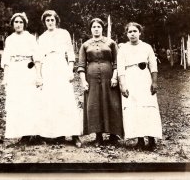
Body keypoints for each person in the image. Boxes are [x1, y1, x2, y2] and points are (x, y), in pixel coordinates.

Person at [37, 10, 82, 147]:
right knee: (50, 100)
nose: (50, 22)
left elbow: (70, 54)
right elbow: (39, 58)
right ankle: (55, 134)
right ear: (44, 22)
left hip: (61, 66)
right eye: (47, 20)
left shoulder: (64, 33)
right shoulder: (42, 37)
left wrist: (70, 71)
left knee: (65, 99)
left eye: (52, 20)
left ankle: (74, 135)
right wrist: (39, 75)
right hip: (48, 68)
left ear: (56, 21)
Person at [78, 18, 124, 147]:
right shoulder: (85, 45)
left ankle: (114, 135)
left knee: (112, 103)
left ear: (102, 28)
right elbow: (81, 65)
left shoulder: (111, 43)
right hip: (91, 78)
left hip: (109, 77)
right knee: (94, 104)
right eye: (94, 27)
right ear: (91, 29)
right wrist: (83, 81)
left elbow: (117, 62)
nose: (96, 29)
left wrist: (115, 77)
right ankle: (98, 136)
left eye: (98, 26)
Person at [117, 22, 162, 151]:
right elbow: (120, 68)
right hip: (130, 78)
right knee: (134, 108)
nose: (132, 34)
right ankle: (140, 140)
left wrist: (154, 82)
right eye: (129, 32)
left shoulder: (147, 47)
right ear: (126, 34)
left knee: (148, 107)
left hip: (144, 78)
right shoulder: (123, 49)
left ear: (140, 33)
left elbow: (153, 66)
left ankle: (152, 139)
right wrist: (123, 85)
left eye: (135, 31)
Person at [1, 12, 43, 144]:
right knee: (16, 102)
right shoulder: (9, 39)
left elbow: (37, 58)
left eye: (21, 22)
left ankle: (30, 133)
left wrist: (38, 75)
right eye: (16, 22)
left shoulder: (30, 38)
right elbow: (6, 59)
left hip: (27, 70)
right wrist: (5, 77)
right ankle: (20, 131)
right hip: (14, 71)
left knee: (28, 101)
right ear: (12, 24)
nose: (18, 25)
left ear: (24, 24)